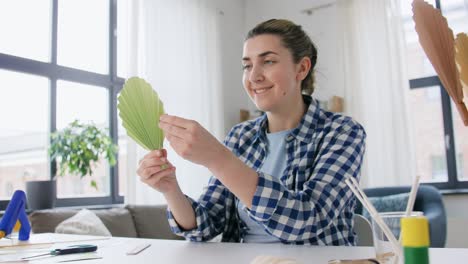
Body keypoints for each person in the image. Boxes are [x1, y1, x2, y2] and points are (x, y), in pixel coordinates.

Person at [137, 19, 366, 245]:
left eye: (268, 61)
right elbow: (206, 225)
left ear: (302, 68)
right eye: (247, 65)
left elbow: (308, 220)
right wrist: (170, 189)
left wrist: (218, 158)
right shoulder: (240, 136)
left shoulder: (342, 132)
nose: (254, 76)